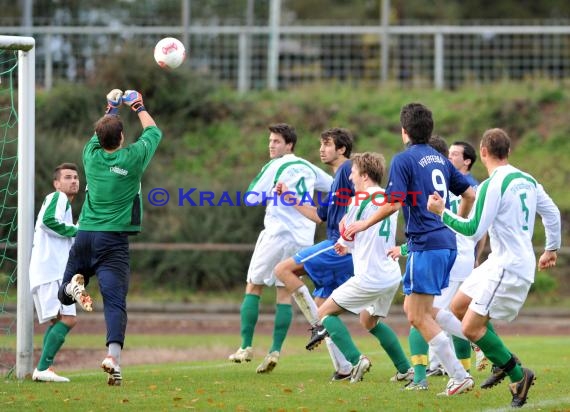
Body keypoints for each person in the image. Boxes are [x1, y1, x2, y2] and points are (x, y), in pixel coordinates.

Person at [344, 103, 477, 396]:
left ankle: (458, 375)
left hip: (425, 244)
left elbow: (393, 202)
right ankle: (474, 338)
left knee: (417, 317)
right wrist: (455, 221)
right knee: (421, 309)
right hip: (446, 243)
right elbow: (469, 193)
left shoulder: (404, 160)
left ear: (404, 131)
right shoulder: (440, 159)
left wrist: (363, 224)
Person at [427, 128, 561, 408]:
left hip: (508, 266)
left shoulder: (491, 185)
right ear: (508, 152)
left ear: (483, 152)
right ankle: (500, 360)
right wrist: (551, 248)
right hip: (499, 262)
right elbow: (552, 212)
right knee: (458, 306)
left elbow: (473, 230)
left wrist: (442, 213)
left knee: (471, 328)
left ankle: (517, 374)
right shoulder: (527, 179)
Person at [58, 89, 162, 386]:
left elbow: (102, 129)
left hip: (85, 234)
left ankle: (74, 286)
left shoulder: (89, 156)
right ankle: (112, 359)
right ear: (121, 138)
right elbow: (153, 130)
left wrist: (112, 105)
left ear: (99, 138)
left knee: (63, 294)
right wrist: (138, 104)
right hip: (112, 241)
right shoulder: (133, 157)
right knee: (115, 303)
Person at [228, 123, 333, 374]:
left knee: (253, 285)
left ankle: (246, 346)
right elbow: (334, 186)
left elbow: (251, 197)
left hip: (276, 235)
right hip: (302, 238)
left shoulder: (275, 165)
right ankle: (275, 351)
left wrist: (270, 195)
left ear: (289, 145)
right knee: (284, 294)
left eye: (276, 141)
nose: (271, 145)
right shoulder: (308, 167)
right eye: (270, 140)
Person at [317, 152, 413, 384]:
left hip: (371, 275)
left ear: (365, 175)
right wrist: (347, 241)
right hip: (390, 274)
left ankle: (355, 359)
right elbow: (364, 237)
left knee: (323, 314)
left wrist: (342, 239)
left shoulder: (359, 200)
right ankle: (405, 369)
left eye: (353, 172)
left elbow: (348, 236)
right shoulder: (387, 197)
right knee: (368, 321)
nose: (350, 177)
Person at [274, 127, 356, 381]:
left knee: (282, 270)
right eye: (321, 144)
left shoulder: (347, 170)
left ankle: (316, 327)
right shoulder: (336, 181)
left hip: (339, 245)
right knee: (322, 309)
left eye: (328, 144)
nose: (321, 149)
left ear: (341, 149)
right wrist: (289, 197)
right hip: (341, 244)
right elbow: (318, 216)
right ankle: (345, 368)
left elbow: (363, 193)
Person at [29, 163, 80, 382]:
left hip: (50, 270)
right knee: (68, 319)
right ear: (56, 183)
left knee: (57, 320)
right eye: (68, 177)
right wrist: (78, 230)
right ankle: (42, 369)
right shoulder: (57, 198)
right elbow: (48, 222)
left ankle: (44, 369)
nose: (74, 181)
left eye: (76, 177)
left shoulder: (64, 205)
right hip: (52, 270)